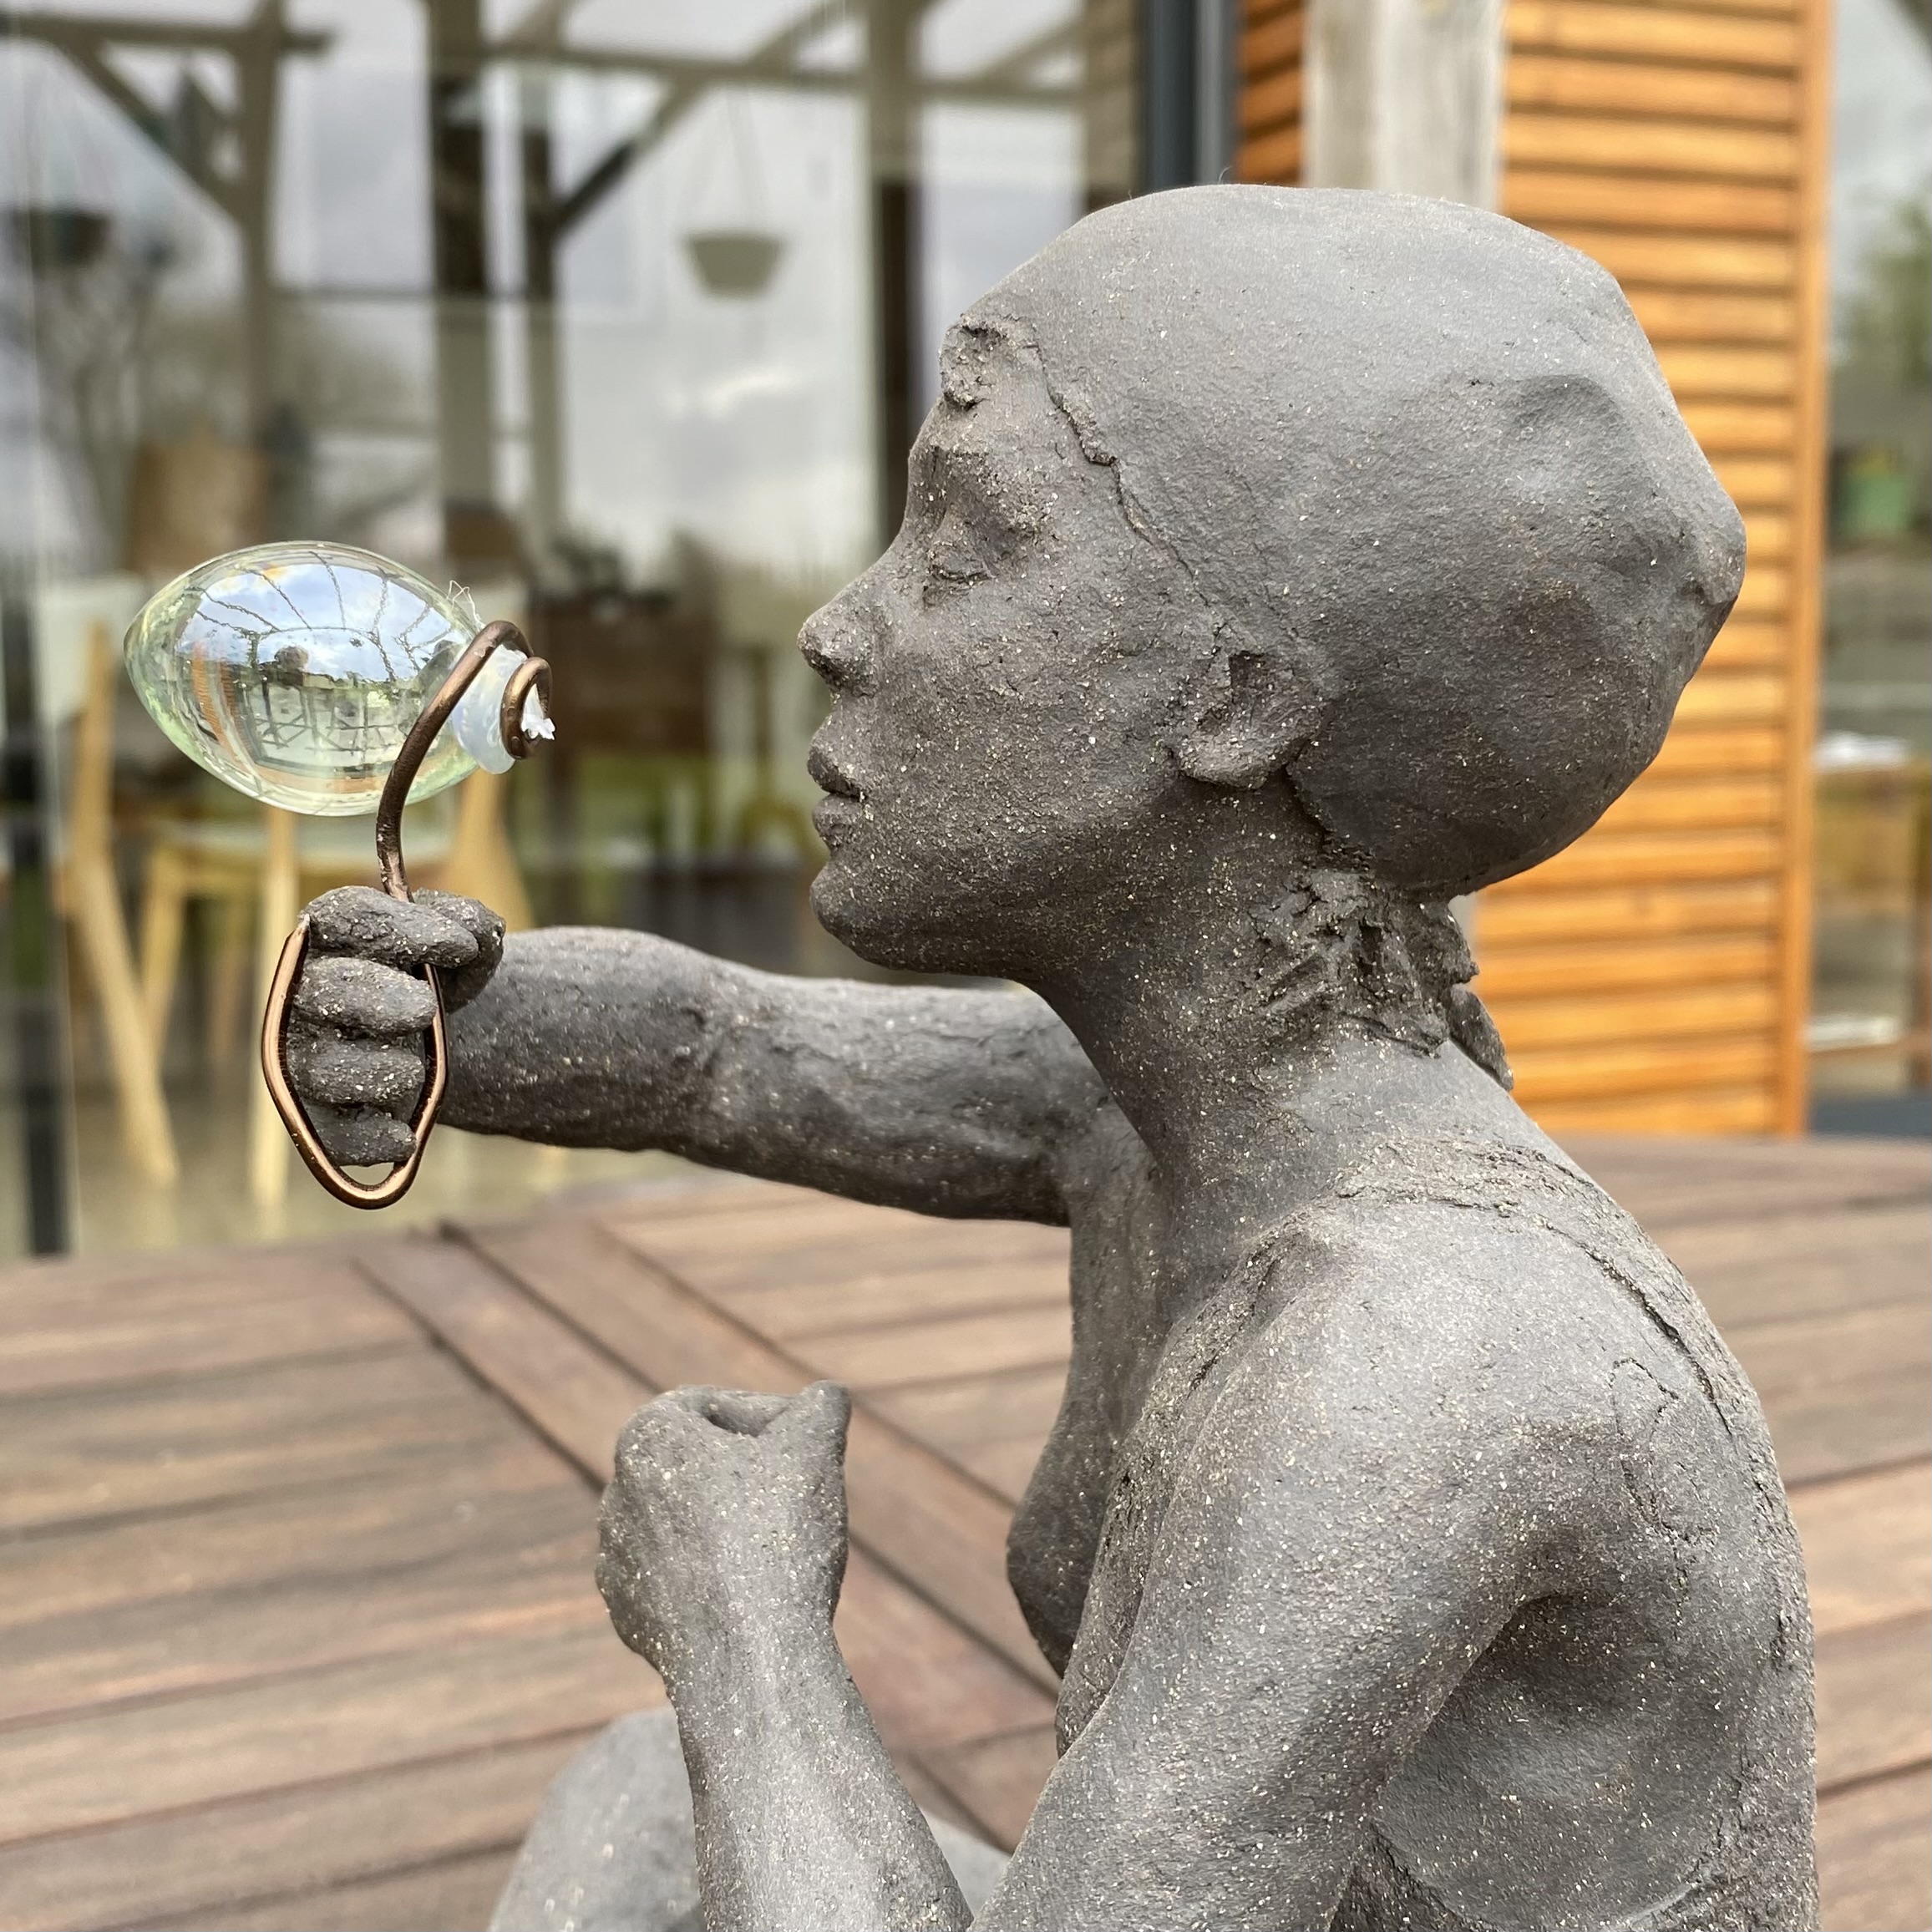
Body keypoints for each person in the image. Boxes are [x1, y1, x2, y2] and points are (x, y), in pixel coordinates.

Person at [286, 188, 1815, 1931]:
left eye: (968, 542)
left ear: (1235, 701)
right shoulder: (1151, 1111)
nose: (837, 628)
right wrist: (446, 1023)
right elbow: (719, 1053)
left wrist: (740, 1619)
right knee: (639, 1799)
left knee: (689, 1765)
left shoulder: (1413, 1363)